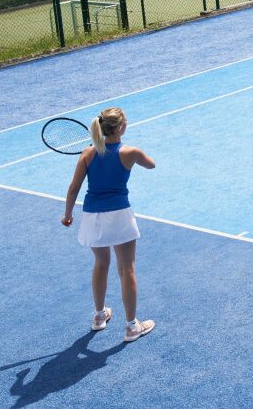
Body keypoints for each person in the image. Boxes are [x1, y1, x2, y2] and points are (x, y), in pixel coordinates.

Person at [61, 107, 156, 343]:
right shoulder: (130, 152)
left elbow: (74, 188)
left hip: (93, 217)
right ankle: (132, 326)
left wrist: (67, 214)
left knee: (101, 262)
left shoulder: (87, 153)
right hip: (120, 216)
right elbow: (151, 164)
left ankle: (99, 316)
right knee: (127, 270)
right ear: (121, 127)